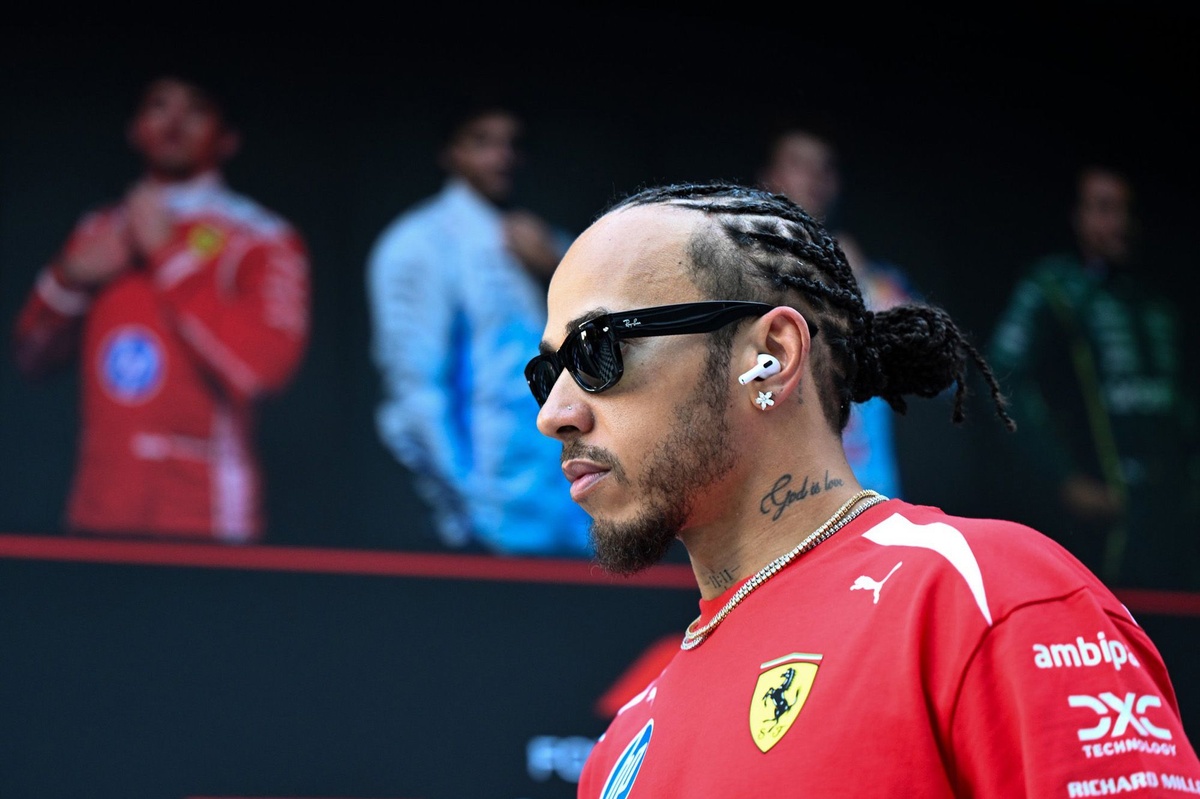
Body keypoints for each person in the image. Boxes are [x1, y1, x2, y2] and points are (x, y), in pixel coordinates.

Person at [523, 181, 1200, 796]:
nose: (553, 413)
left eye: (597, 348)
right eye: (546, 372)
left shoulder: (988, 593)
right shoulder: (618, 755)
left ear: (771, 357)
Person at [11, 71, 310, 544]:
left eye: (196, 109)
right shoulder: (100, 229)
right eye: (159, 105)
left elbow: (265, 370)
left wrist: (170, 256)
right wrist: (67, 278)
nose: (174, 121)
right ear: (134, 129)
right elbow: (30, 360)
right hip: (98, 515)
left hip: (206, 520)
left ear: (228, 138)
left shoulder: (260, 238)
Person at [365, 99, 591, 557]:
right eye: (483, 142)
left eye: (511, 144)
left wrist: (552, 267)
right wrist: (467, 509)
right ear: (452, 152)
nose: (501, 156)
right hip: (483, 519)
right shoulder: (419, 245)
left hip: (568, 510)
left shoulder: (545, 241)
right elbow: (414, 394)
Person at [988, 165, 1200, 590]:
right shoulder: (1053, 288)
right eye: (1104, 209)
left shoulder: (1160, 294)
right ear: (1078, 216)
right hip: (1098, 513)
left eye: (1126, 210)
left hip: (1172, 513)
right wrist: (1063, 479)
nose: (1119, 223)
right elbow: (999, 374)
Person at [758, 122, 917, 499]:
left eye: (824, 168)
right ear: (768, 178)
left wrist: (861, 281)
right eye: (799, 164)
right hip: (774, 493)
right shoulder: (740, 270)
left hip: (865, 493)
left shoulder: (873, 276)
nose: (813, 177)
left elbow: (935, 363)